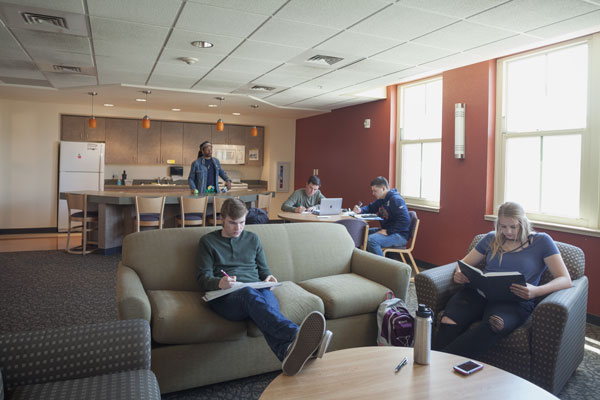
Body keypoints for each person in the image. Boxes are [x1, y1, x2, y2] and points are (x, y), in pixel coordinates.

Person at [196, 198, 333, 375]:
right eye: (232, 223)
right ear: (222, 218)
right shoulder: (208, 242)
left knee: (265, 303)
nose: (238, 228)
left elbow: (264, 271)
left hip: (256, 289)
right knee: (248, 293)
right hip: (226, 296)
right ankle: (297, 334)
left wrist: (268, 278)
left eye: (242, 223)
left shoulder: (253, 239)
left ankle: (286, 352)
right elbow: (202, 278)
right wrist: (218, 282)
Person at [432, 201, 572, 359]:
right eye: (503, 226)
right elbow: (463, 264)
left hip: (514, 300)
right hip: (478, 293)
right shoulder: (491, 238)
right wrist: (459, 274)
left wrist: (535, 291)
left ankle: (439, 362)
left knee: (495, 324)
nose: (508, 232)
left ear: (523, 223)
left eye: (513, 226)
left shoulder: (542, 241)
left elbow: (565, 279)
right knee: (448, 319)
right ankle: (435, 364)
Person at [352, 176, 411, 256]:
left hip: (399, 234)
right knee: (360, 233)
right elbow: (370, 207)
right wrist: (360, 210)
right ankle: (365, 262)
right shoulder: (382, 199)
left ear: (383, 188)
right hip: (388, 230)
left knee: (371, 240)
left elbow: (405, 220)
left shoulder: (396, 200)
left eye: (375, 191)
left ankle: (383, 267)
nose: (373, 193)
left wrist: (388, 231)